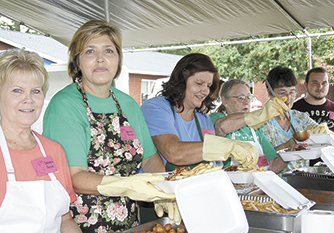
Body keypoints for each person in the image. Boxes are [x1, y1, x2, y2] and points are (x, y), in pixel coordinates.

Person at [42, 20, 176, 232]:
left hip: (130, 224)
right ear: (77, 62)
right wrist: (127, 185)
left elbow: (150, 158)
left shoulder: (128, 104)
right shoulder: (66, 105)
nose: (100, 59)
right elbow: (74, 177)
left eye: (109, 50)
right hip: (80, 224)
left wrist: (161, 186)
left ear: (118, 60)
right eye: (89, 51)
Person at [141, 53, 285, 172]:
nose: (205, 90)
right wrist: (228, 146)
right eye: (199, 83)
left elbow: (214, 165)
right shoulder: (156, 108)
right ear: (181, 80)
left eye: (208, 85)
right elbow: (173, 152)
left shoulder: (203, 119)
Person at [0, 48, 82, 232]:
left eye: (35, 91)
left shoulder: (53, 151)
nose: (28, 99)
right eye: (17, 90)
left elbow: (65, 219)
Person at [210, 79, 287, 173]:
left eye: (248, 97)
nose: (246, 102)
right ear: (225, 101)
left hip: (254, 184)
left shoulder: (254, 129)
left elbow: (272, 165)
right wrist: (259, 114)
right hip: (231, 183)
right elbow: (221, 127)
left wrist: (292, 153)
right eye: (241, 98)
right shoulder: (217, 118)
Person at [260, 66, 318, 175]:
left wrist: (321, 134)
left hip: (302, 183)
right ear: (269, 92)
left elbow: (322, 132)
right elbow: (259, 159)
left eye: (292, 92)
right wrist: (286, 146)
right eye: (282, 93)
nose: (288, 98)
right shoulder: (261, 124)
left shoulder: (301, 118)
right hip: (275, 185)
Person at [292, 67, 334, 150]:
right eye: (315, 83)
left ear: (329, 85)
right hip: (302, 161)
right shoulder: (293, 109)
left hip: (331, 161)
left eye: (324, 83)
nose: (320, 87)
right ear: (306, 84)